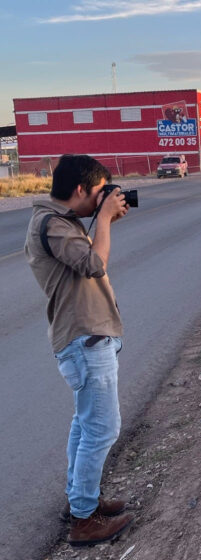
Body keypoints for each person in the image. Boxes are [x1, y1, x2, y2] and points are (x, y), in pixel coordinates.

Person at [25, 154, 133, 546]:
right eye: (100, 191)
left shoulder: (61, 222)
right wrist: (102, 220)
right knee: (103, 429)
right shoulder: (53, 224)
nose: (105, 197)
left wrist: (102, 219)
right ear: (80, 190)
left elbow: (87, 263)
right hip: (84, 340)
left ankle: (81, 501)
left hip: (86, 337)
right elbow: (93, 266)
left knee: (85, 425)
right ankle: (84, 521)